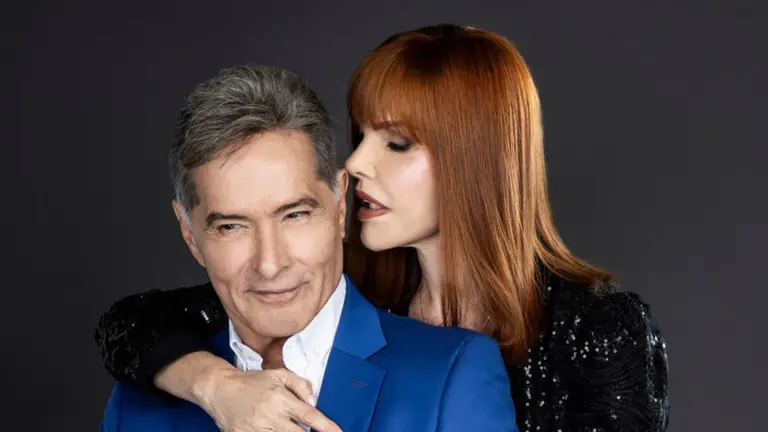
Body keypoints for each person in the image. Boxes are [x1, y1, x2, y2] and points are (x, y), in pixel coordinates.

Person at [95, 24, 670, 432]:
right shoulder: (340, 288)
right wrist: (215, 386)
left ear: (475, 160)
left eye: (396, 143)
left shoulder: (594, 326)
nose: (356, 162)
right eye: (361, 134)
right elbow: (135, 323)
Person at [99, 65, 518, 432]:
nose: (270, 264)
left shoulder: (451, 375)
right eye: (231, 226)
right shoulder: (139, 402)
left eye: (295, 215)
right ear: (189, 233)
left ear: (340, 204)